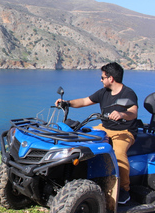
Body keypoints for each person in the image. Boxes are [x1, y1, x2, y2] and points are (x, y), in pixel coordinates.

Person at [55, 62, 138, 204]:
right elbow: (84, 101)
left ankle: (124, 190)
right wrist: (67, 103)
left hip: (124, 131)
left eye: (103, 77)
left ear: (111, 78)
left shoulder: (128, 93)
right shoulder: (103, 92)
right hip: (104, 128)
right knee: (82, 141)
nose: (101, 80)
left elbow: (133, 112)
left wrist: (122, 114)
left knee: (118, 154)